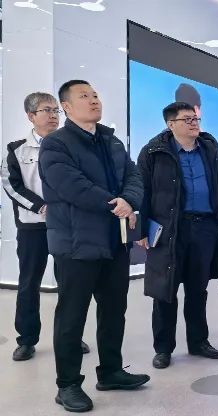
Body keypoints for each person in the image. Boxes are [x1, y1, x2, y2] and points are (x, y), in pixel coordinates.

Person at [39, 80, 149, 413]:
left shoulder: (111, 141)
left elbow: (134, 176)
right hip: (76, 244)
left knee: (114, 310)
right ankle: (68, 385)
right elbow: (71, 186)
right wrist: (115, 204)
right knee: (71, 316)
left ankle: (111, 372)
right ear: (67, 107)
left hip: (113, 241)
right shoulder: (56, 143)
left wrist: (129, 200)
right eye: (84, 96)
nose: (93, 100)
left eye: (95, 95)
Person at [136, 102, 218, 370]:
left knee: (197, 289)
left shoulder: (211, 149)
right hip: (169, 229)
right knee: (164, 290)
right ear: (171, 124)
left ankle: (199, 341)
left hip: (204, 228)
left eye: (195, 119)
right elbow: (142, 190)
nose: (194, 123)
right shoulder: (153, 152)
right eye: (187, 119)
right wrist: (142, 229)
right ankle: (163, 348)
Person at [2, 92, 90, 361]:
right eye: (46, 110)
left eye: (56, 110)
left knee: (70, 284)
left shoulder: (71, 145)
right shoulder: (16, 149)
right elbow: (11, 186)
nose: (53, 115)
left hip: (66, 226)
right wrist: (41, 206)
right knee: (29, 283)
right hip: (33, 227)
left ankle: (71, 337)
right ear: (31, 116)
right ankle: (26, 340)